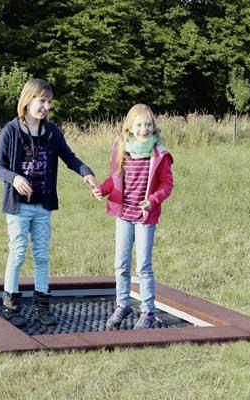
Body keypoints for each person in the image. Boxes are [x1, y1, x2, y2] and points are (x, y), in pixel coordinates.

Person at [0, 78, 99, 327]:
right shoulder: (10, 131)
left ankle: (42, 306)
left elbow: (70, 157)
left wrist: (87, 173)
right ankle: (11, 306)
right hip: (18, 206)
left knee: (41, 255)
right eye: (42, 101)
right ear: (27, 100)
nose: (46, 107)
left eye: (49, 102)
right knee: (18, 253)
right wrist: (15, 178)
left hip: (43, 205)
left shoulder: (52, 132)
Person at [91, 104, 174, 330]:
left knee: (143, 266)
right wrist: (102, 189)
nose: (144, 129)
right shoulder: (122, 148)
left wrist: (153, 200)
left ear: (153, 127)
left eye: (148, 125)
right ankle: (123, 304)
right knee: (121, 264)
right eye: (139, 125)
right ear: (130, 127)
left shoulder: (159, 153)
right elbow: (114, 179)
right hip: (124, 215)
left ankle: (148, 311)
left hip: (144, 217)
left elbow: (167, 184)